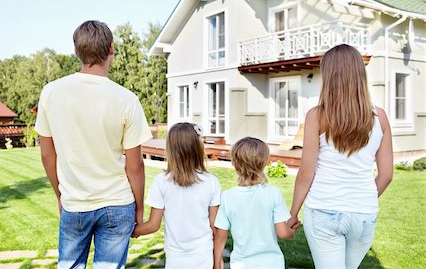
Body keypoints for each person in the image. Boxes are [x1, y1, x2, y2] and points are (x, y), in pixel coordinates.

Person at [35, 20, 152, 269]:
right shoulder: (127, 99)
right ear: (112, 48)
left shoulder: (51, 93)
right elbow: (136, 166)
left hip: (74, 203)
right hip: (118, 204)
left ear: (77, 52)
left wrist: (60, 195)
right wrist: (140, 208)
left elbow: (47, 156)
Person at [288, 44, 393, 269]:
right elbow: (386, 175)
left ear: (329, 76)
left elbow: (307, 173)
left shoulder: (317, 116)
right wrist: (361, 199)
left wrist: (292, 213)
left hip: (324, 210)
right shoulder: (380, 117)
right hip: (364, 215)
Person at [132, 122, 221, 269]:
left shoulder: (161, 182)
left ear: (170, 150)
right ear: (197, 148)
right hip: (204, 255)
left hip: (175, 258)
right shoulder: (211, 182)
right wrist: (217, 259)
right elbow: (215, 227)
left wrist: (130, 232)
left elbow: (153, 225)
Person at [213, 137, 298, 269]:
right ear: (264, 163)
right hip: (272, 264)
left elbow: (220, 234)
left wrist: (216, 262)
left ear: (234, 164)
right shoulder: (273, 193)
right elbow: (282, 232)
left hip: (241, 264)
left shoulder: (227, 197)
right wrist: (291, 231)